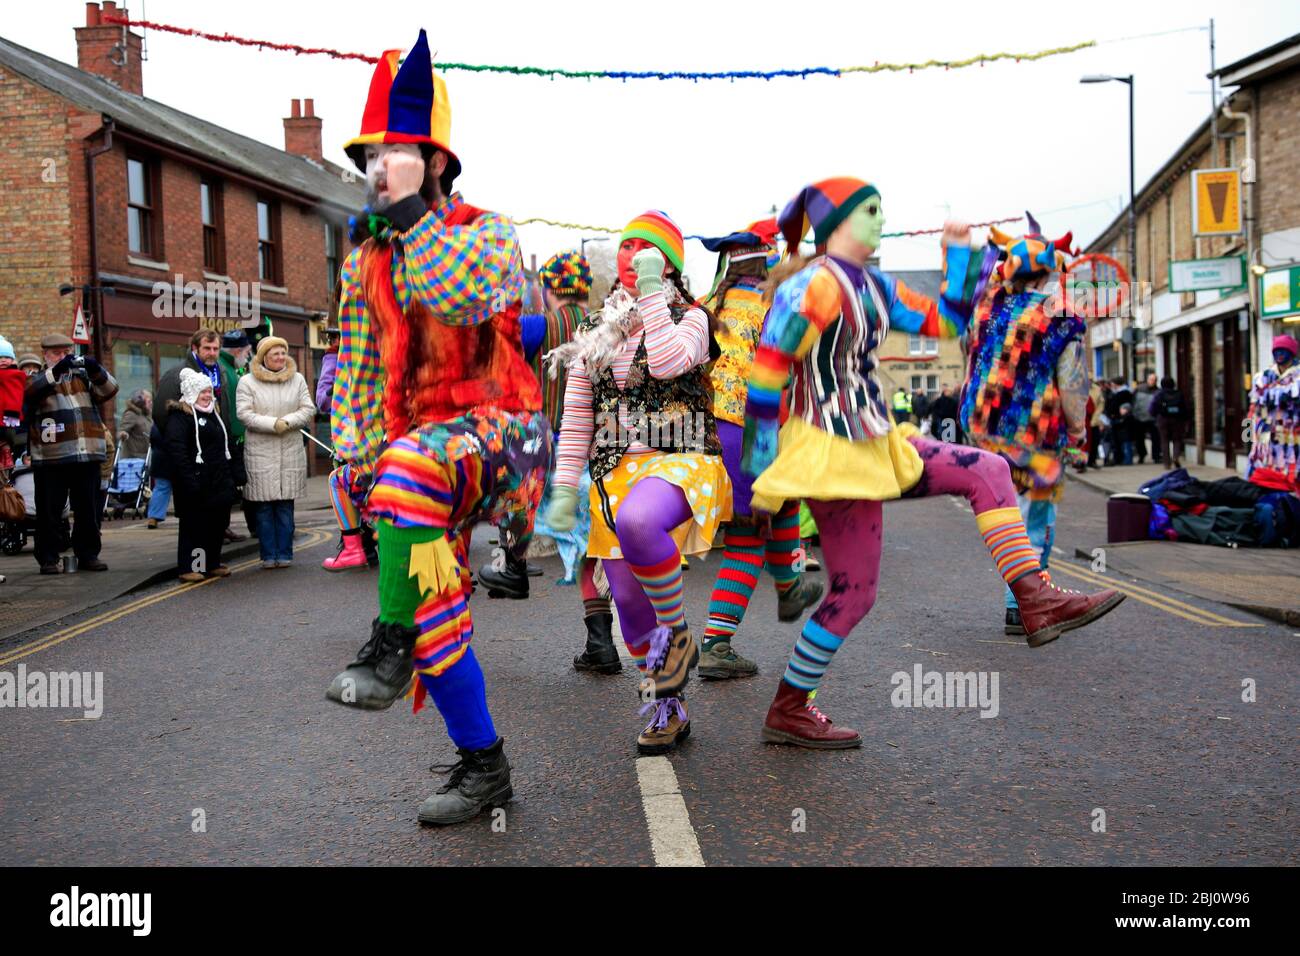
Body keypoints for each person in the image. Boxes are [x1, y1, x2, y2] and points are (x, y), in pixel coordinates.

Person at [743, 177, 1123, 749]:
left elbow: (947, 321)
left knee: (978, 480)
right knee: (858, 588)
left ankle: (1034, 598)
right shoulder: (811, 290)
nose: (880, 219)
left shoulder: (873, 285)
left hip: (872, 439)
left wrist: (959, 257)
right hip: (828, 452)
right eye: (870, 211)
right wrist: (761, 471)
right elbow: (767, 374)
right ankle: (791, 707)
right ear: (839, 223)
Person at [324, 31, 550, 827]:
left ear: (438, 162)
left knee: (414, 464)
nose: (376, 169)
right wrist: (358, 457)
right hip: (419, 467)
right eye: (369, 158)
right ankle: (485, 766)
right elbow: (357, 367)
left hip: (505, 432)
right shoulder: (363, 262)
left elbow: (460, 297)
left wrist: (415, 213)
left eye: (395, 152)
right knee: (438, 615)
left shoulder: (488, 232)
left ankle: (386, 640)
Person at [544, 210, 733, 755]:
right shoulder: (594, 333)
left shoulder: (693, 318)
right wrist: (562, 490)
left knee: (640, 520)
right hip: (613, 473)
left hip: (683, 456)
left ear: (668, 262)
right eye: (625, 246)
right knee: (627, 603)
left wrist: (654, 291)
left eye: (644, 248)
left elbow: (672, 362)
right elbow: (578, 416)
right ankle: (668, 705)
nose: (629, 255)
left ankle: (678, 641)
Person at [694, 219, 821, 680]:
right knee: (752, 533)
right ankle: (717, 641)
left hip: (706, 435)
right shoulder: (776, 304)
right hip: (753, 430)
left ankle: (787, 589)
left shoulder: (708, 304)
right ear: (767, 260)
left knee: (775, 509)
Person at [960, 213, 1091, 638]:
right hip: (1037, 432)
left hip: (984, 428)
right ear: (1050, 271)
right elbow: (1073, 385)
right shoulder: (1062, 316)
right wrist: (1078, 432)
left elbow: (971, 364)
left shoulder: (984, 311)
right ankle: (1023, 606)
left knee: (1004, 514)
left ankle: (1020, 599)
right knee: (1036, 516)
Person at [520, 250, 620, 672]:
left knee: (571, 538)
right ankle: (602, 641)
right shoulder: (606, 325)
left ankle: (509, 561)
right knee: (595, 542)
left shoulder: (536, 326)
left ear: (548, 288)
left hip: (555, 447)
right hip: (606, 446)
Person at [23, 333, 118, 574]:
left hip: (86, 453)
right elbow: (30, 394)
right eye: (57, 353)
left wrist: (97, 370)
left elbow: (110, 389)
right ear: (46, 354)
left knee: (87, 509)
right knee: (49, 511)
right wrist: (55, 372)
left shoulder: (82, 379)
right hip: (51, 455)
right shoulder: (37, 378)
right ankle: (48, 558)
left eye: (66, 352)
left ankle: (88, 554)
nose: (63, 357)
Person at [236, 336, 316, 569]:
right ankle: (268, 555)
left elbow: (307, 408)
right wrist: (273, 424)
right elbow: (244, 414)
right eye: (275, 354)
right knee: (262, 508)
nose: (281, 357)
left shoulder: (297, 379)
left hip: (290, 451)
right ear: (263, 358)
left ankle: (285, 554)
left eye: (283, 352)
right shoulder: (247, 382)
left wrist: (287, 422)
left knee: (284, 508)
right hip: (260, 453)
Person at [162, 369, 238, 581]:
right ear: (191, 393)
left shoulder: (214, 414)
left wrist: (235, 476)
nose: (207, 395)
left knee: (217, 525)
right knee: (196, 527)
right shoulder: (180, 417)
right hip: (195, 483)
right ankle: (192, 566)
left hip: (218, 481)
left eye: (209, 391)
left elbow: (227, 444)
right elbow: (177, 451)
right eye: (202, 392)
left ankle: (211, 563)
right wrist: (189, 480)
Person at [1245, 333, 1300, 481]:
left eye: (1284, 350)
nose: (1279, 354)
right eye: (1276, 350)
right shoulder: (1262, 377)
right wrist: (1248, 435)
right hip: (1266, 439)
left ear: (1292, 352)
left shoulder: (1298, 377)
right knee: (1267, 478)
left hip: (1293, 438)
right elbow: (1252, 410)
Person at [1150, 376, 1189, 470]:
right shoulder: (1179, 394)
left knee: (1164, 440)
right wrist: (1185, 419)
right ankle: (1176, 456)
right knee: (1177, 439)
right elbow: (1185, 407)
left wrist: (1155, 415)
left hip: (1163, 419)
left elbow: (1152, 407)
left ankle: (1167, 463)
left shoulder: (1159, 394)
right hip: (1177, 420)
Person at [1104, 376, 1135, 465]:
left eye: (1113, 384)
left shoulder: (1124, 393)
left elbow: (1117, 406)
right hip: (1118, 419)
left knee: (1124, 440)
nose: (1111, 385)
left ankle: (1126, 459)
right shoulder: (1118, 393)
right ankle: (1121, 459)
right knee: (1119, 440)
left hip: (1121, 419)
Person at [116, 389, 152, 459]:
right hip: (134, 461)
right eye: (149, 401)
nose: (151, 403)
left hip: (146, 457)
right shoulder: (131, 414)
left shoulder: (146, 415)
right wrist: (123, 434)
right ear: (140, 402)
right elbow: (121, 431)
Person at [1133, 372, 1160, 464]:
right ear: (1147, 380)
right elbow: (1133, 402)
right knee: (1139, 439)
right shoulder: (1139, 389)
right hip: (1139, 418)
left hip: (1153, 419)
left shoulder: (1158, 391)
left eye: (1154, 380)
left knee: (1156, 438)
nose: (1152, 381)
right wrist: (1135, 414)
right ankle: (1142, 455)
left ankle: (1156, 456)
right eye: (1151, 379)